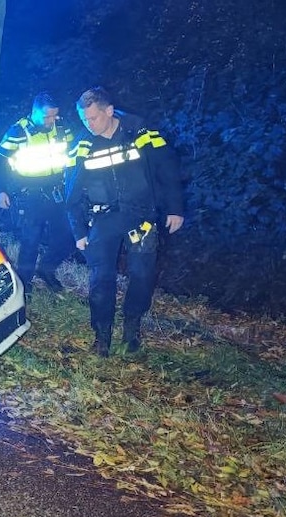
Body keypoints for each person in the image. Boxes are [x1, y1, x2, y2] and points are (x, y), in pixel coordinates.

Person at [65, 86, 185, 356]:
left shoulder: (141, 134)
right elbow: (70, 193)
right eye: (84, 119)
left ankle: (131, 330)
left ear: (109, 111)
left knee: (142, 275)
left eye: (93, 118)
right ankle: (102, 336)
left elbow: (168, 169)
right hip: (103, 218)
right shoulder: (82, 145)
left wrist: (175, 208)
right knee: (100, 279)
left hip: (140, 216)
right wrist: (78, 231)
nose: (88, 124)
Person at [0, 93, 75, 298]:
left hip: (58, 191)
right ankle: (24, 282)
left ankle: (47, 269)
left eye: (55, 116)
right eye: (48, 117)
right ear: (35, 112)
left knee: (66, 235)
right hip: (30, 193)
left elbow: (75, 153)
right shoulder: (18, 131)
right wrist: (0, 190)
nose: (52, 121)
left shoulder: (62, 128)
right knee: (31, 239)